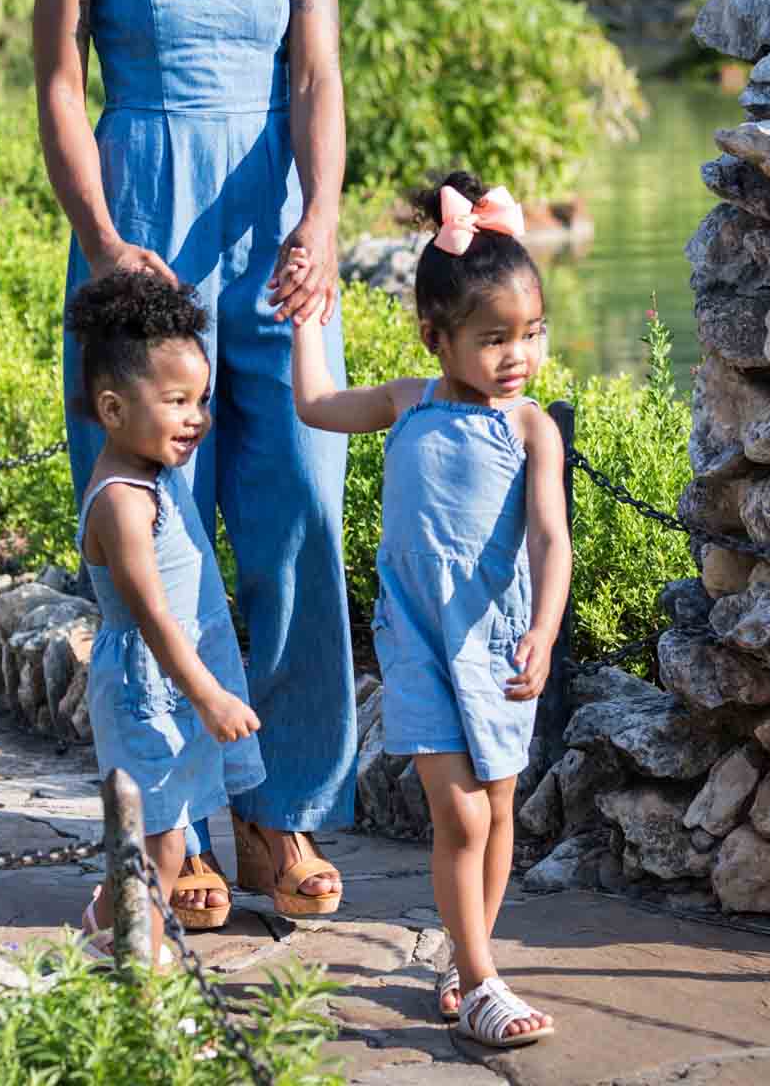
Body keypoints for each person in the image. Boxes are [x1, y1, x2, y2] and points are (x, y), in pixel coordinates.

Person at [32, 0, 353, 929]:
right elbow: (61, 82)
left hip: (278, 234)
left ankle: (279, 819)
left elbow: (317, 76)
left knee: (298, 528)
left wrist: (325, 219)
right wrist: (103, 239)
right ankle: (168, 836)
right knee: (152, 545)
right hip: (142, 232)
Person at [290, 172, 572, 1050]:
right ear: (435, 338)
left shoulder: (531, 428)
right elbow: (314, 405)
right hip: (416, 639)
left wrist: (544, 631)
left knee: (500, 810)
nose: (517, 356)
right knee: (462, 816)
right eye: (493, 340)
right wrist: (307, 320)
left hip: (496, 641)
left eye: (530, 334)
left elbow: (551, 543)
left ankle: (465, 957)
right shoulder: (409, 402)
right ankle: (485, 980)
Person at [65, 270, 264, 964]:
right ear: (114, 409)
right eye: (176, 400)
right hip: (151, 688)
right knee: (161, 839)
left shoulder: (154, 479)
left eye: (201, 399)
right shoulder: (123, 500)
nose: (196, 417)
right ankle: (142, 979)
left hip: (170, 682)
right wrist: (206, 693)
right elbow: (149, 613)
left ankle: (104, 927)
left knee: (169, 831)